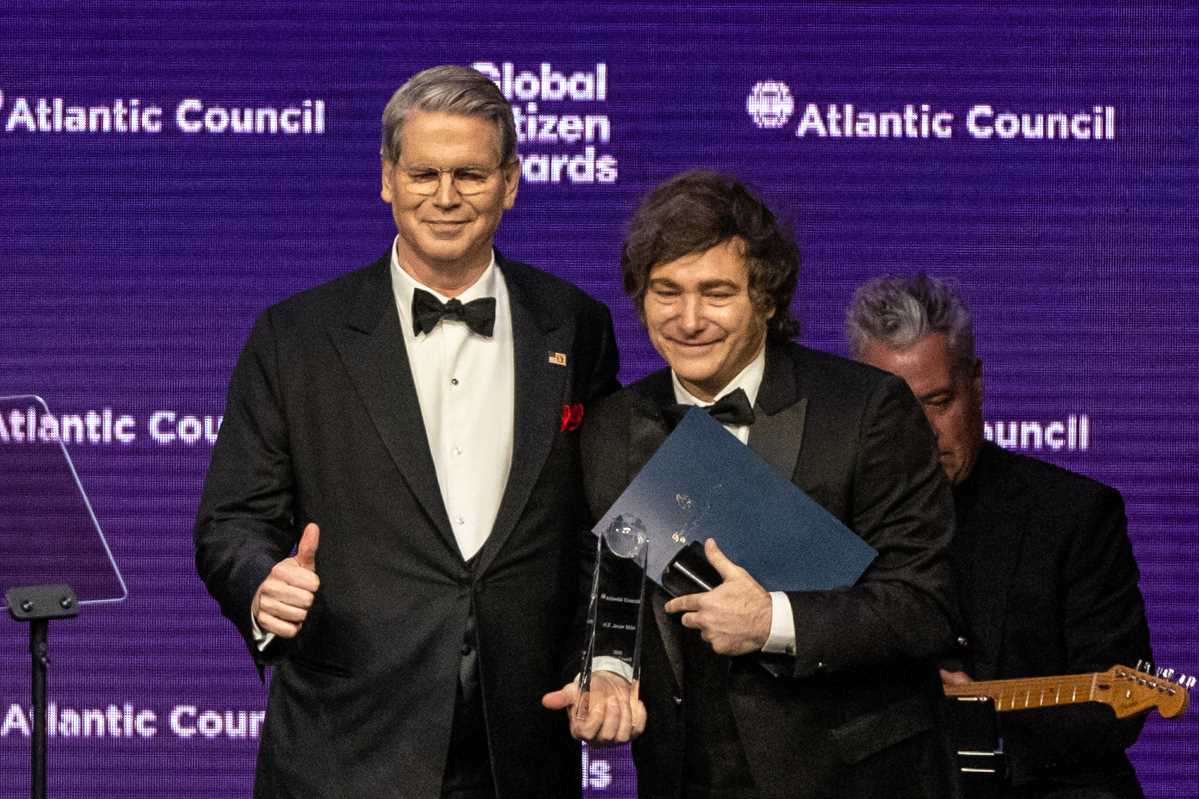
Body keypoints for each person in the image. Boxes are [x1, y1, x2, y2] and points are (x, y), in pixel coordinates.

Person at [194, 64, 619, 799]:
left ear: (510, 183)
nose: (445, 197)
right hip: (346, 743)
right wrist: (262, 585)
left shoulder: (575, 324)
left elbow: (599, 522)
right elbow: (231, 519)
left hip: (520, 745)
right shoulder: (296, 336)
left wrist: (604, 659)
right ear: (387, 179)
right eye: (423, 173)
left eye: (470, 174)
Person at [544, 171, 960, 799]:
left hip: (849, 778)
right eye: (666, 292)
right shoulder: (611, 427)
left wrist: (773, 621)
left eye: (716, 293)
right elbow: (599, 590)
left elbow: (925, 604)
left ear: (765, 298)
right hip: (684, 778)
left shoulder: (864, 409)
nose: (688, 320)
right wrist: (603, 671)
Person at [846, 274, 1152, 798]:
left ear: (977, 383)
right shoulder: (833, 518)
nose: (923, 432)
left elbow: (1117, 705)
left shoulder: (1074, 514)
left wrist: (988, 716)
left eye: (939, 401)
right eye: (897, 408)